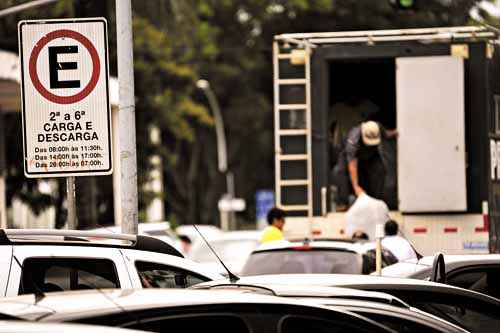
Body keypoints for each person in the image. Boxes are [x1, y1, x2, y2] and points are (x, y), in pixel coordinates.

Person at [332, 121, 396, 208]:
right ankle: (342, 203)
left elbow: (386, 133)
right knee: (340, 171)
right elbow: (352, 165)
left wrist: (395, 132)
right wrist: (356, 187)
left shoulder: (377, 127)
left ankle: (375, 200)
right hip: (349, 155)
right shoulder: (353, 138)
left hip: (369, 153)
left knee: (380, 169)